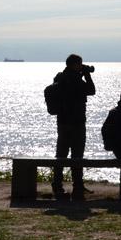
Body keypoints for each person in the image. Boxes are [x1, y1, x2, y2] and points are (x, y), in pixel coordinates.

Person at [49, 54, 95, 201]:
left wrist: (81, 73)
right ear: (75, 65)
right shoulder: (75, 79)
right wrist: (87, 74)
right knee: (77, 155)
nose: (82, 67)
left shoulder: (59, 77)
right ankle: (77, 186)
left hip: (62, 122)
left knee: (61, 154)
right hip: (77, 122)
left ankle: (57, 185)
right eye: (80, 64)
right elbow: (91, 90)